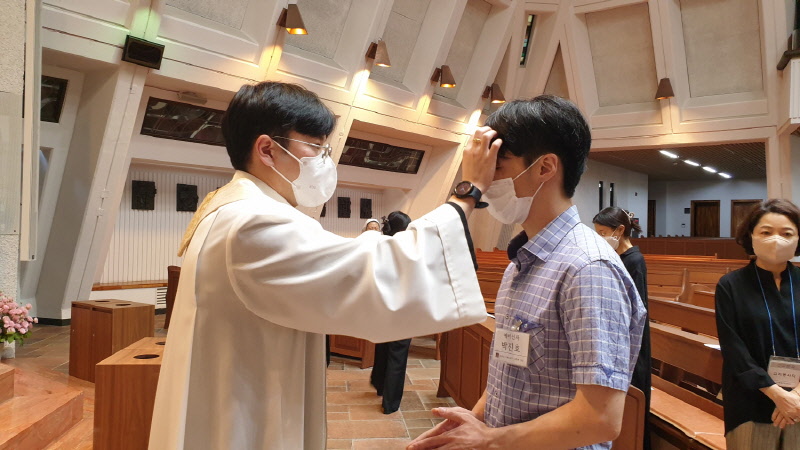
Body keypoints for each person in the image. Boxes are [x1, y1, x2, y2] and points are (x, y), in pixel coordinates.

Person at [149, 81, 500, 449]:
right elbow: (373, 270)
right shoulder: (253, 222)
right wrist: (468, 191)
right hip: (244, 415)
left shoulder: (231, 208)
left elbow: (344, 258)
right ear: (267, 149)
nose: (325, 160)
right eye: (316, 147)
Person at [408, 95, 646, 450]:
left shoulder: (588, 269)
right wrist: (475, 421)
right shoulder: (522, 260)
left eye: (496, 167)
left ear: (544, 167)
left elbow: (600, 419)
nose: (486, 184)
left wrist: (490, 440)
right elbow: (511, 368)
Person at [715, 199, 800, 448]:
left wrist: (795, 396)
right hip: (750, 400)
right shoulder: (731, 285)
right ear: (751, 235)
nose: (776, 240)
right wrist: (776, 394)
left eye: (787, 233)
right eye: (766, 232)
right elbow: (734, 348)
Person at [593, 206, 652, 450]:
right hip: (617, 335)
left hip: (629, 339)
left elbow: (635, 308)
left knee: (631, 401)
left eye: (602, 232)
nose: (600, 237)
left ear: (619, 230)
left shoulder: (634, 260)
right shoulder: (616, 257)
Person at [370, 211, 414, 414]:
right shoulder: (408, 249)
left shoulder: (379, 245)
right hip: (402, 306)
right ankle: (390, 403)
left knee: (383, 347)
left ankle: (380, 384)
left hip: (382, 304)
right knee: (397, 354)